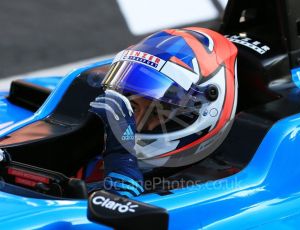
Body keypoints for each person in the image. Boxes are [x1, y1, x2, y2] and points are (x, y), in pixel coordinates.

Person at [89, 27, 238, 197]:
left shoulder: (210, 187)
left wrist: (122, 164)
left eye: (156, 112)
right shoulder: (103, 129)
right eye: (129, 100)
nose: (131, 118)